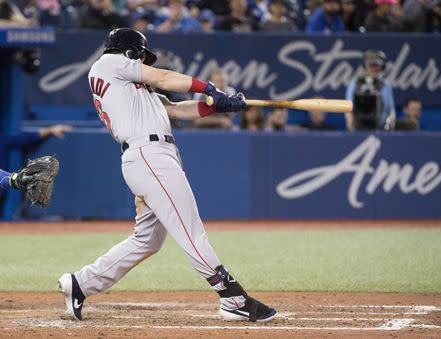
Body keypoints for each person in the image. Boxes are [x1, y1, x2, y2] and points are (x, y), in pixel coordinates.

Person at [58, 28, 277, 323]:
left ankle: (81, 283)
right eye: (141, 57)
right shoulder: (107, 64)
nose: (144, 63)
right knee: (190, 230)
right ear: (130, 51)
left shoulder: (130, 88)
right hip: (149, 156)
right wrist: (208, 87)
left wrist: (218, 106)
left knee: (147, 241)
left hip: (151, 158)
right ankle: (233, 299)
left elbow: (175, 109)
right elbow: (162, 77)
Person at [345, 50, 396, 131]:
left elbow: (391, 110)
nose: (374, 68)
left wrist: (389, 125)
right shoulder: (355, 84)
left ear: (382, 67)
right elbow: (348, 107)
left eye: (377, 65)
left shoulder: (386, 85)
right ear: (365, 66)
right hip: (358, 128)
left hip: (381, 129)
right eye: (371, 65)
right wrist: (351, 125)